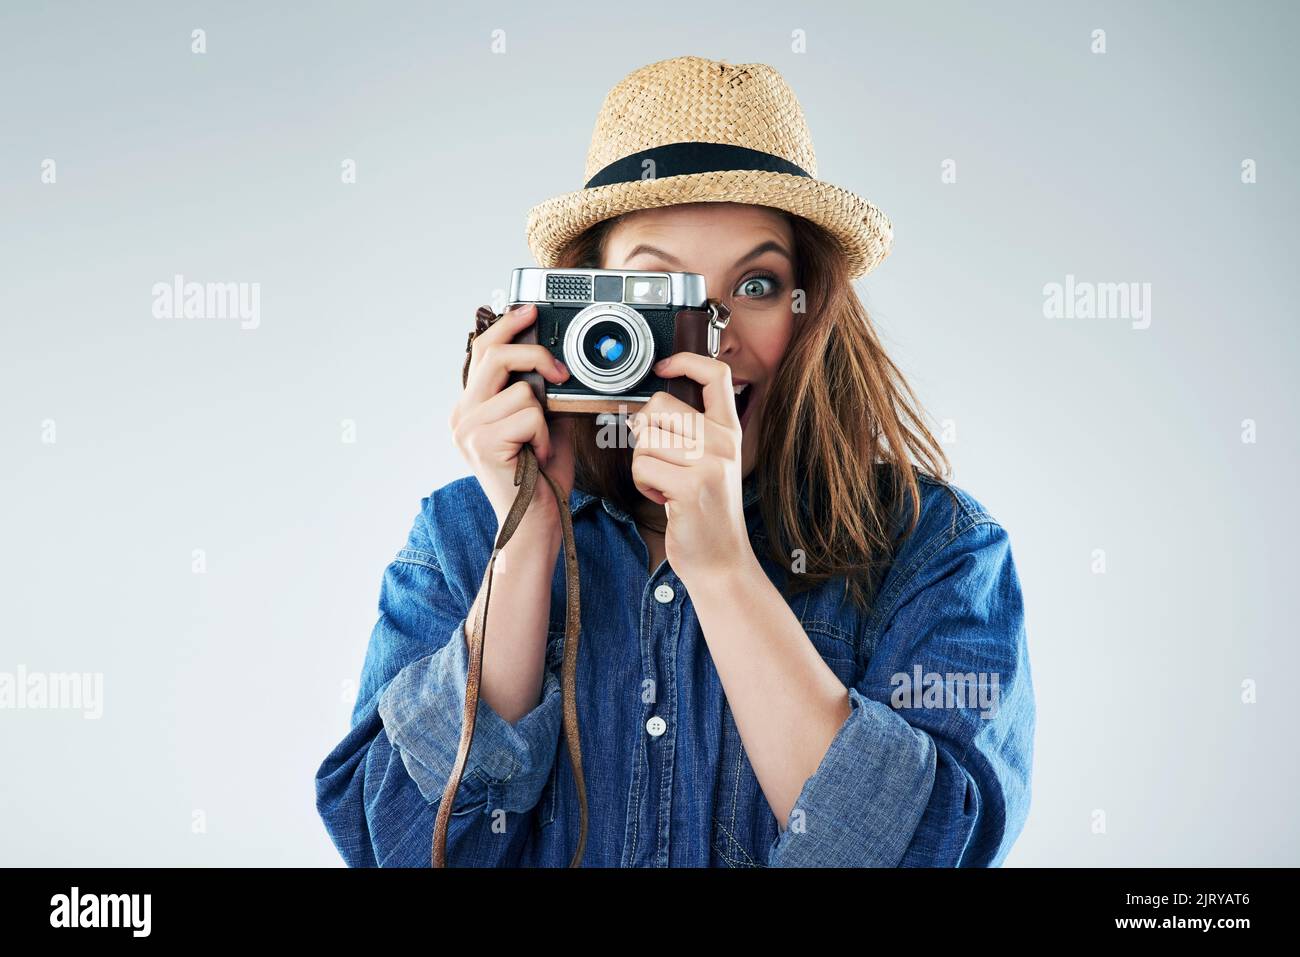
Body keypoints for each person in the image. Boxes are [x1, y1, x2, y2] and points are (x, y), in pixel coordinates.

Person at [315, 55, 1035, 867]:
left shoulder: (934, 550)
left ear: (813, 309)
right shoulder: (460, 533)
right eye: (659, 293)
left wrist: (724, 567)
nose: (712, 339)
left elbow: (934, 851)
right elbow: (397, 850)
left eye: (758, 285)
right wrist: (523, 544)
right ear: (575, 314)